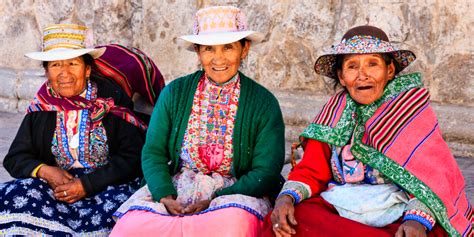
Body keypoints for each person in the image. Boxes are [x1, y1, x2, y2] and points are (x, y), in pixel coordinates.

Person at [265, 25, 473, 237]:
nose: (362, 75)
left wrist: (417, 220)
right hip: (341, 207)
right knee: (285, 222)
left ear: (389, 70)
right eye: (352, 66)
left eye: (372, 64)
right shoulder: (333, 114)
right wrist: (286, 198)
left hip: (398, 209)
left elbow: (432, 178)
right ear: (342, 76)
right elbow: (311, 170)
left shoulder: (410, 112)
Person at [110, 6, 285, 237]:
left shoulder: (263, 103)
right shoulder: (175, 93)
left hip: (234, 192)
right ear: (198, 52)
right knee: (131, 228)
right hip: (178, 186)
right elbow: (153, 151)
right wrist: (165, 195)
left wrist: (215, 199)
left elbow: (266, 170)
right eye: (208, 49)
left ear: (244, 50)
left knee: (233, 227)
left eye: (229, 47)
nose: (218, 58)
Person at [0, 24, 146, 236]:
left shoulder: (110, 102)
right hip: (57, 190)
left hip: (107, 187)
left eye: (72, 63)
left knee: (131, 216)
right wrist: (45, 171)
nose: (64, 73)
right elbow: (15, 157)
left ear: (87, 70)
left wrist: (87, 184)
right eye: (56, 65)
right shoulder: (42, 106)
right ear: (46, 71)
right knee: (14, 196)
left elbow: (133, 157)